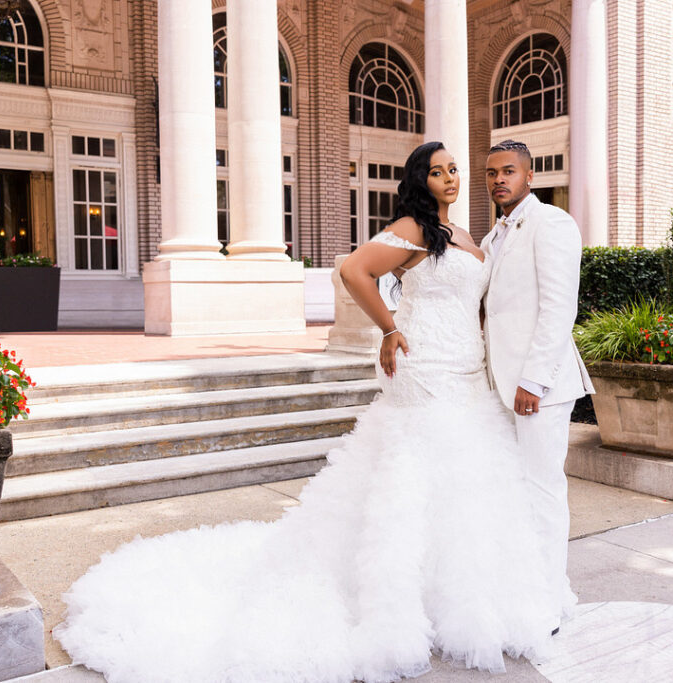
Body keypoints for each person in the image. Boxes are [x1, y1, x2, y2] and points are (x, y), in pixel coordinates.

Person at [54, 142, 561, 683]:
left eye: (455, 170)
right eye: (437, 173)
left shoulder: (467, 237)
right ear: (420, 181)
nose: (450, 179)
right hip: (425, 370)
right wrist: (390, 329)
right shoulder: (413, 229)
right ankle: (397, 601)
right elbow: (354, 270)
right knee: (417, 478)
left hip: (467, 370)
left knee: (468, 483)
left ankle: (458, 595)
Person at [481, 139, 595, 634]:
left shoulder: (551, 223)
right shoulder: (491, 238)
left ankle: (547, 600)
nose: (498, 179)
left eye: (508, 171)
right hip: (496, 386)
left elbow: (558, 307)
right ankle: (518, 590)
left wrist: (534, 381)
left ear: (529, 176)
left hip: (538, 388)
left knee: (543, 490)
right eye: (491, 173)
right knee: (512, 492)